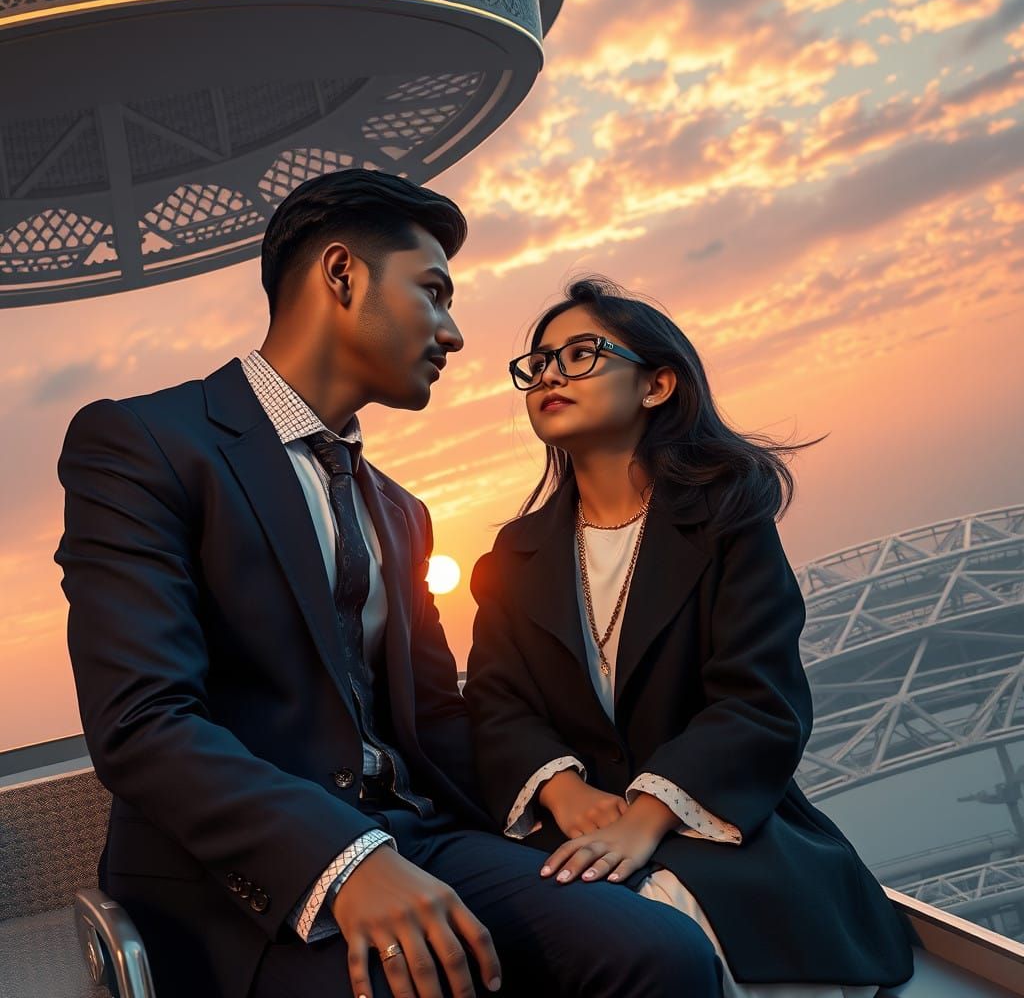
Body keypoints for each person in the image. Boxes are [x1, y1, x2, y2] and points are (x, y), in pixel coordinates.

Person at [55, 173, 723, 998]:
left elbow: (438, 718)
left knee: (663, 953)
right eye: (433, 293)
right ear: (343, 274)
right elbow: (142, 722)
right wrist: (347, 861)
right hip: (238, 888)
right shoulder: (144, 444)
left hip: (419, 836)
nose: (453, 334)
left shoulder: (402, 512)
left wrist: (563, 788)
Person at [463, 277, 919, 998]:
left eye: (580, 354)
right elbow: (495, 701)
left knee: (673, 931)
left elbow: (758, 700)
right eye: (538, 362)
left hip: (724, 828)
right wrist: (562, 788)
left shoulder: (727, 525)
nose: (548, 373)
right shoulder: (511, 557)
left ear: (657, 385)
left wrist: (645, 819)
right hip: (573, 834)